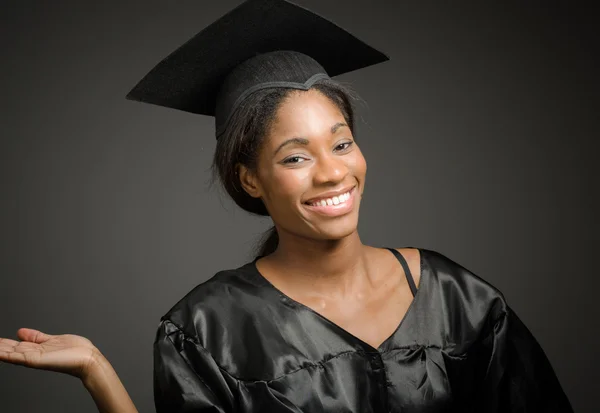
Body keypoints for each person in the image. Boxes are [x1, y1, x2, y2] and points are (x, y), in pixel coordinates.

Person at [0, 0, 574, 412]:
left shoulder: (457, 298)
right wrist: (98, 373)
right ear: (250, 179)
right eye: (295, 157)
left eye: (342, 142)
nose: (332, 171)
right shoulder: (207, 329)